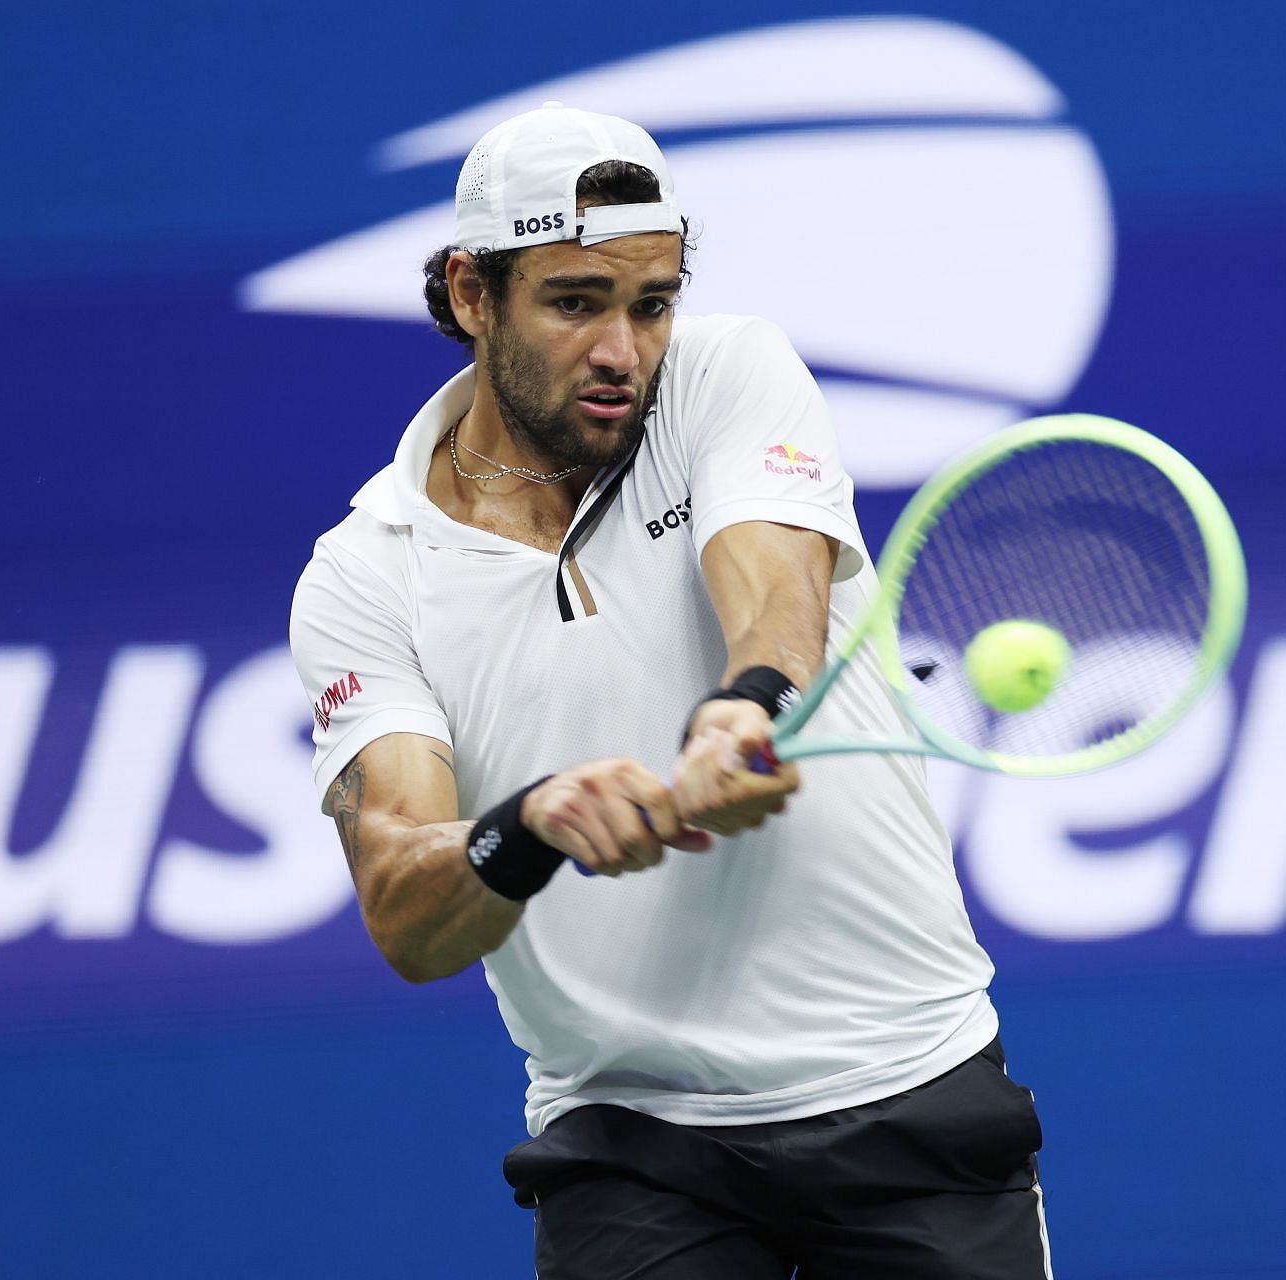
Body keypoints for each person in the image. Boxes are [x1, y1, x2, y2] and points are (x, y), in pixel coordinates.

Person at [290, 102, 1051, 1278]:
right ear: (470, 293)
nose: (623, 350)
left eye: (651, 302)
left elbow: (775, 585)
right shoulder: (365, 572)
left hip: (902, 1078)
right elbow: (405, 905)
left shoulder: (729, 372)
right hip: (631, 1139)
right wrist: (527, 826)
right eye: (575, 301)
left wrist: (742, 706)